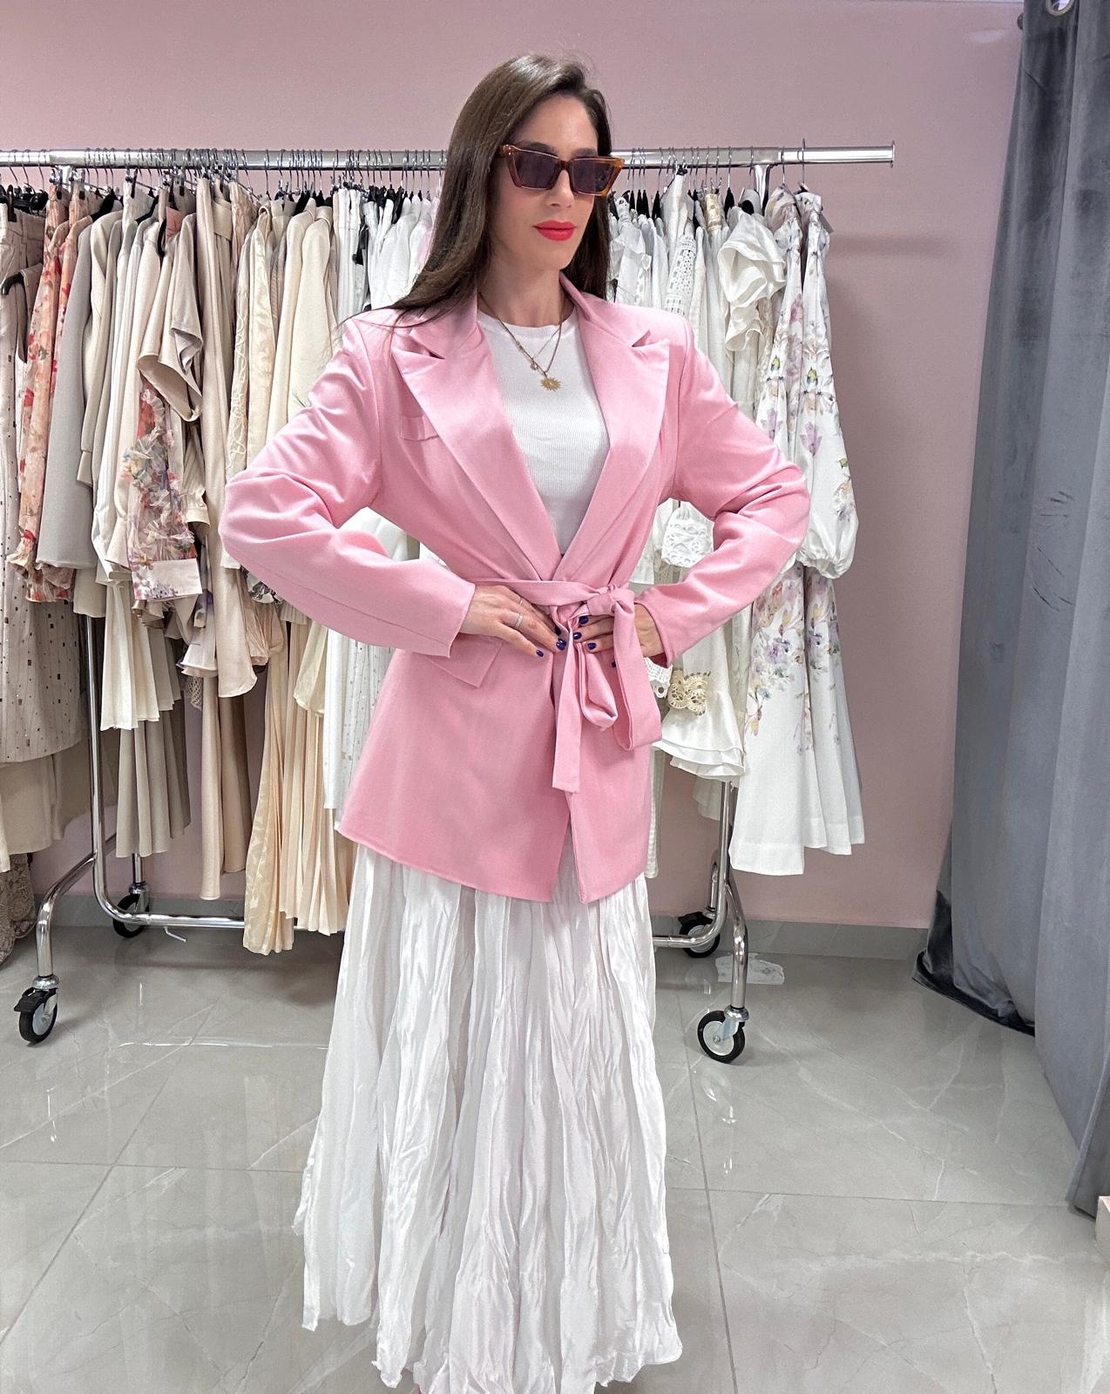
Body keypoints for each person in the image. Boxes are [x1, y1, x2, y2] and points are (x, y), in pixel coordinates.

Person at [219, 51, 809, 1394]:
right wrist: (441, 601)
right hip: (454, 756)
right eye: (535, 163)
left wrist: (665, 615)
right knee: (460, 1034)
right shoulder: (392, 353)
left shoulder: (653, 351)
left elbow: (772, 496)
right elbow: (264, 513)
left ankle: (570, 1309)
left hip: (590, 737)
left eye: (589, 170)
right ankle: (457, 1313)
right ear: (480, 168)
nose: (563, 195)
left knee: (575, 1038)